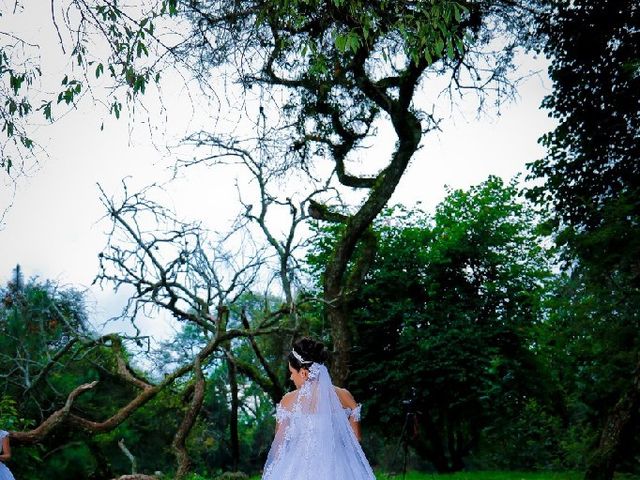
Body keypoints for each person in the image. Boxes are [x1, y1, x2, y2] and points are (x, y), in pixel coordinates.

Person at [262, 337, 376, 480]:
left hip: (297, 471)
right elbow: (356, 439)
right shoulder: (345, 396)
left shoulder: (288, 401)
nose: (291, 377)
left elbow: (279, 446)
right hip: (339, 469)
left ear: (303, 372)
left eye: (292, 372)